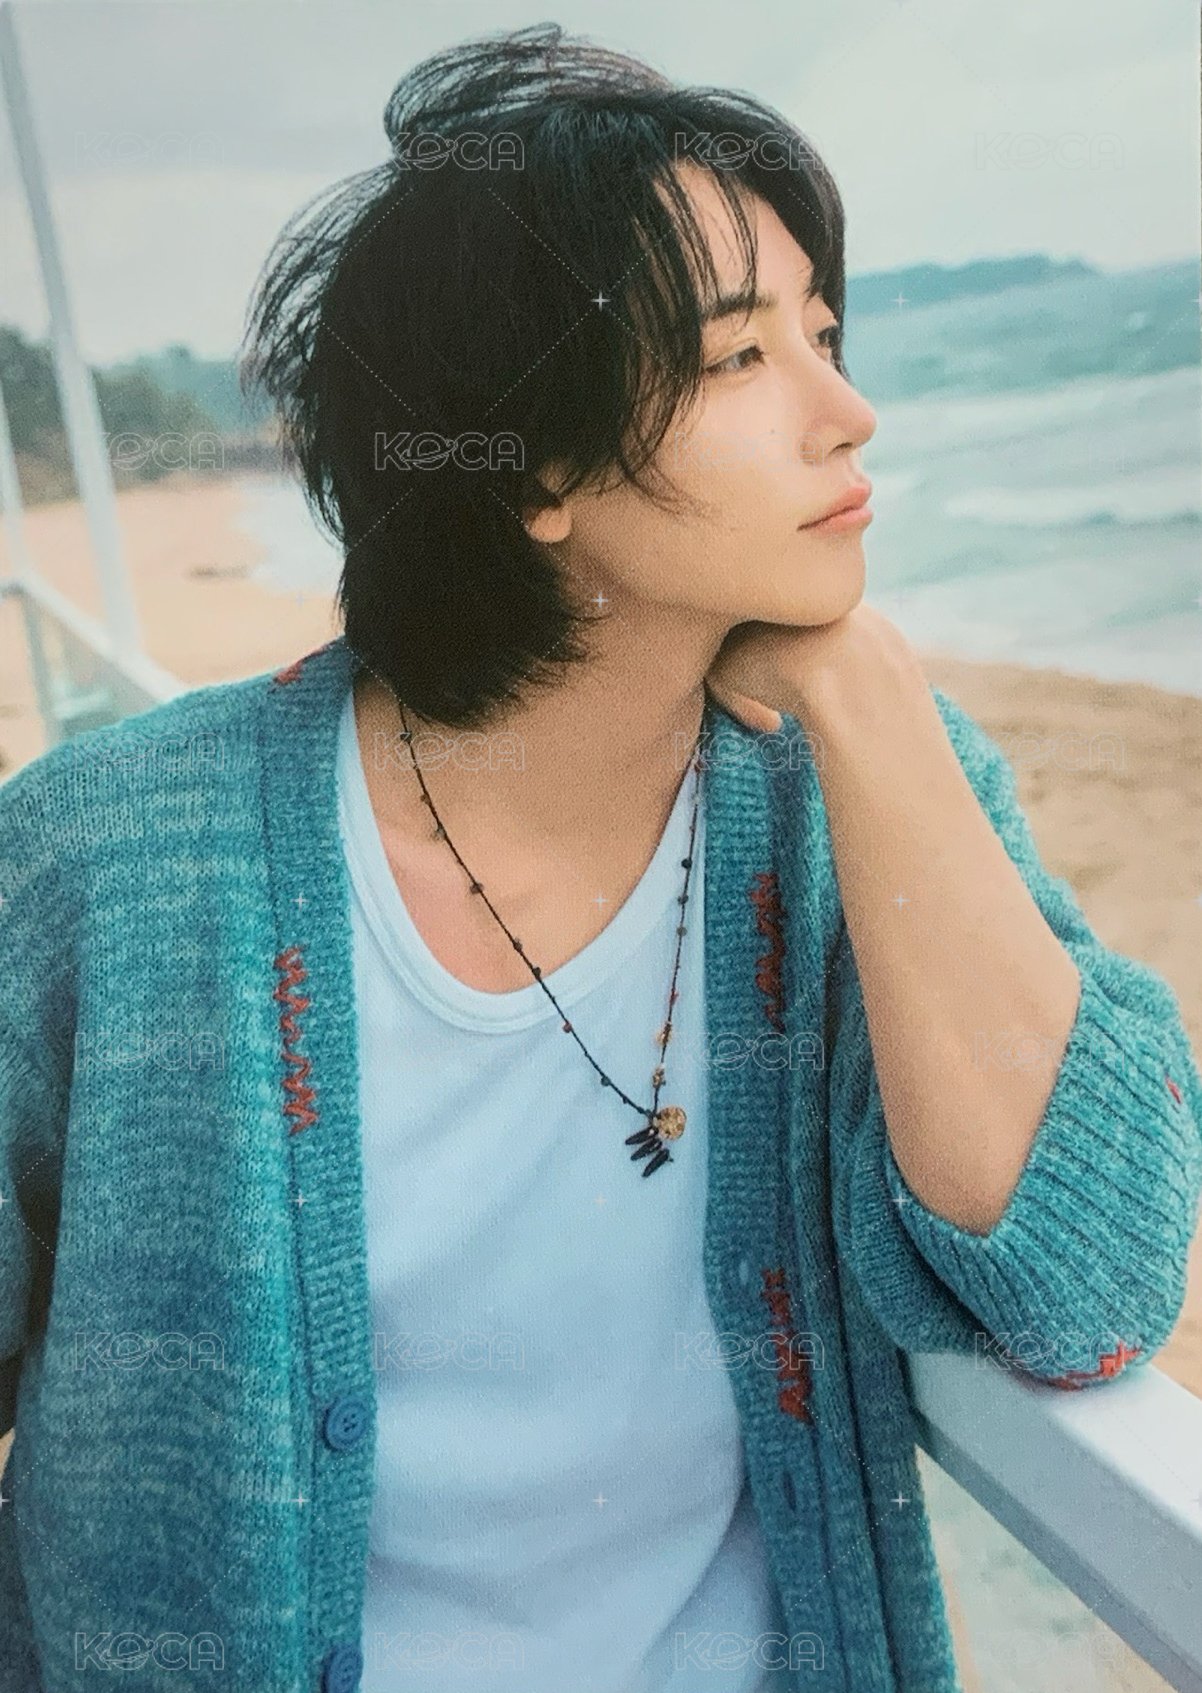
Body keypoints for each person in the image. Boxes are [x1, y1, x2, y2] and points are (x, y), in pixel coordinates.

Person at [2, 23, 1199, 1693]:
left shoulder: (864, 803)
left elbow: (1087, 1290)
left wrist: (866, 696)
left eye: (825, 333)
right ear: (534, 467)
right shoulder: (108, 858)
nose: (848, 413)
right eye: (738, 356)